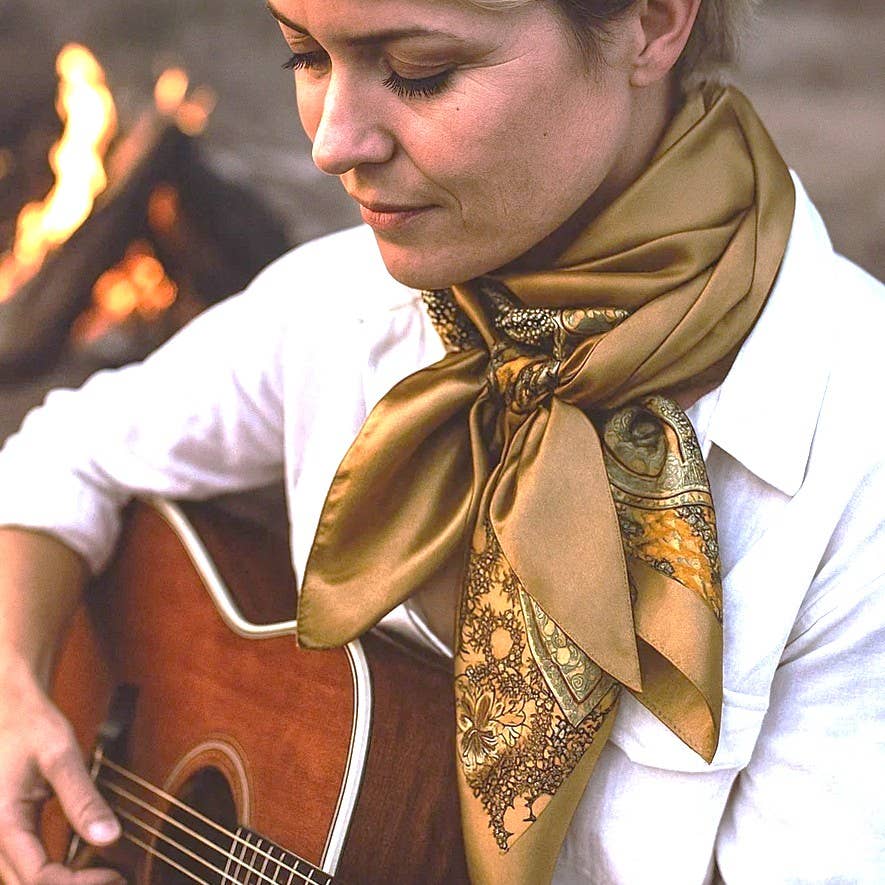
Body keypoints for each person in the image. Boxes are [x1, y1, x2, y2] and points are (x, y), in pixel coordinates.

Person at [0, 0, 882, 883]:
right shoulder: (339, 307)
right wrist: (17, 682)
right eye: (304, 58)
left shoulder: (853, 455)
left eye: (420, 71)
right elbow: (65, 453)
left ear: (650, 24)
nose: (332, 144)